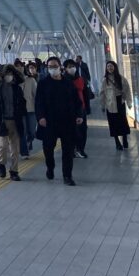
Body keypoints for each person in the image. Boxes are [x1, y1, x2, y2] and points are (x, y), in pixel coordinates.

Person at [35, 56, 84, 186]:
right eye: (50, 67)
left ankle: (67, 175)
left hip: (67, 121)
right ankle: (50, 166)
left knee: (68, 149)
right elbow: (39, 102)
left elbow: (77, 101)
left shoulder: (68, 83)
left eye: (55, 66)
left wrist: (79, 115)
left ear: (60, 67)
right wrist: (40, 117)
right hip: (49, 121)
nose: (53, 69)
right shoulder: (43, 83)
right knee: (48, 148)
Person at [0, 64, 26, 181]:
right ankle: (1, 163)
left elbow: (22, 102)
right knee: (2, 146)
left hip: (15, 121)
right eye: (7, 74)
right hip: (2, 121)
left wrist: (22, 111)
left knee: (15, 149)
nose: (9, 76)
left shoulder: (17, 88)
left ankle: (14, 171)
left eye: (11, 74)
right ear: (2, 75)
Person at [98, 60, 133, 150]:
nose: (110, 68)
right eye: (108, 66)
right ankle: (117, 142)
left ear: (115, 67)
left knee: (123, 121)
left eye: (111, 66)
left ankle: (124, 139)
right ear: (106, 68)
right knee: (113, 123)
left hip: (120, 102)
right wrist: (102, 105)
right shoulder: (105, 81)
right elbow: (102, 94)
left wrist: (129, 102)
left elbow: (127, 90)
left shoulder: (121, 78)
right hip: (110, 104)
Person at [66, 59, 90, 158]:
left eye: (73, 66)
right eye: (69, 67)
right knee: (72, 130)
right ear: (65, 69)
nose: (72, 68)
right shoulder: (64, 80)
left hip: (81, 108)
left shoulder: (81, 79)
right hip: (69, 110)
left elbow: (85, 93)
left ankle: (81, 149)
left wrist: (87, 107)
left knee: (83, 130)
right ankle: (72, 149)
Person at [20, 61, 39, 158]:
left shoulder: (31, 80)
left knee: (32, 131)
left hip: (31, 109)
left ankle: (29, 142)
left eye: (20, 66)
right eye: (16, 66)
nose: (19, 68)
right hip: (20, 111)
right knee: (23, 131)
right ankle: (24, 151)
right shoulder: (14, 81)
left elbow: (36, 95)